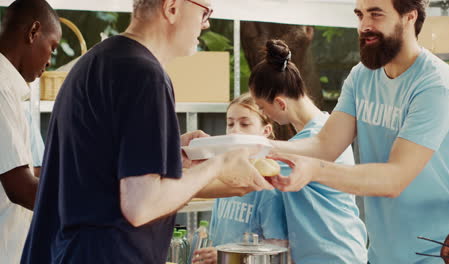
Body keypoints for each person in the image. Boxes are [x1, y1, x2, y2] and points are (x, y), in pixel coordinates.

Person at [20, 0, 272, 263]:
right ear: (172, 8)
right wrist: (219, 165)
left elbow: (98, 168)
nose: (206, 22)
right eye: (204, 11)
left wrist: (171, 152)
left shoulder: (96, 60)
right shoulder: (145, 74)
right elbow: (142, 206)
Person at [267, 0, 449, 263]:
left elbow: (393, 179)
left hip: (440, 254)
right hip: (381, 255)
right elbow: (324, 145)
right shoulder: (361, 76)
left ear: (409, 17)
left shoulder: (435, 86)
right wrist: (255, 147)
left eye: (376, 15)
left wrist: (313, 171)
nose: (364, 26)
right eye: (360, 15)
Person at [249, 40, 368, 264]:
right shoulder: (324, 129)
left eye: (263, 108)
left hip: (335, 256)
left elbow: (248, 176)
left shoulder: (314, 142)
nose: (265, 115)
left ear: (280, 103)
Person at [192, 93, 288, 264]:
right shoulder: (224, 177)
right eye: (230, 124)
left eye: (244, 124)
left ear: (265, 131)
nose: (235, 130)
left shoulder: (268, 185)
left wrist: (228, 255)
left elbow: (278, 246)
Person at [0, 0, 61, 263]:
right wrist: (92, 210)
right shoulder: (1, 90)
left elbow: (34, 173)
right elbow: (21, 187)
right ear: (33, 32)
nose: (50, 60)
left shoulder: (10, 92)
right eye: (52, 47)